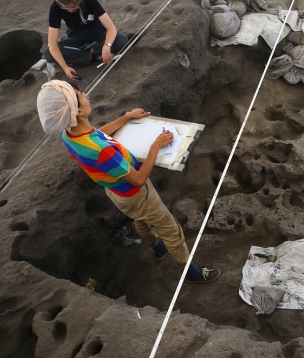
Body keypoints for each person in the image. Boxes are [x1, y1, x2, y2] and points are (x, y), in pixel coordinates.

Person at [36, 80, 220, 283]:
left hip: (118, 193)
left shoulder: (70, 135)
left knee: (140, 219)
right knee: (170, 229)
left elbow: (99, 134)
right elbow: (139, 179)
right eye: (81, 96)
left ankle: (158, 249)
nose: (86, 95)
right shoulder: (103, 152)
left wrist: (126, 118)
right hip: (136, 192)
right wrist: (155, 146)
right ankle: (192, 273)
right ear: (77, 112)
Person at [43, 0, 128, 81]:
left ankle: (88, 53)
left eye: (74, 6)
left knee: (122, 39)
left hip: (98, 32)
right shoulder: (55, 7)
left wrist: (106, 46)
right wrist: (65, 67)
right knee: (48, 53)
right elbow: (52, 42)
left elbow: (111, 28)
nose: (71, 10)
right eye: (66, 7)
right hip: (76, 36)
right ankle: (94, 56)